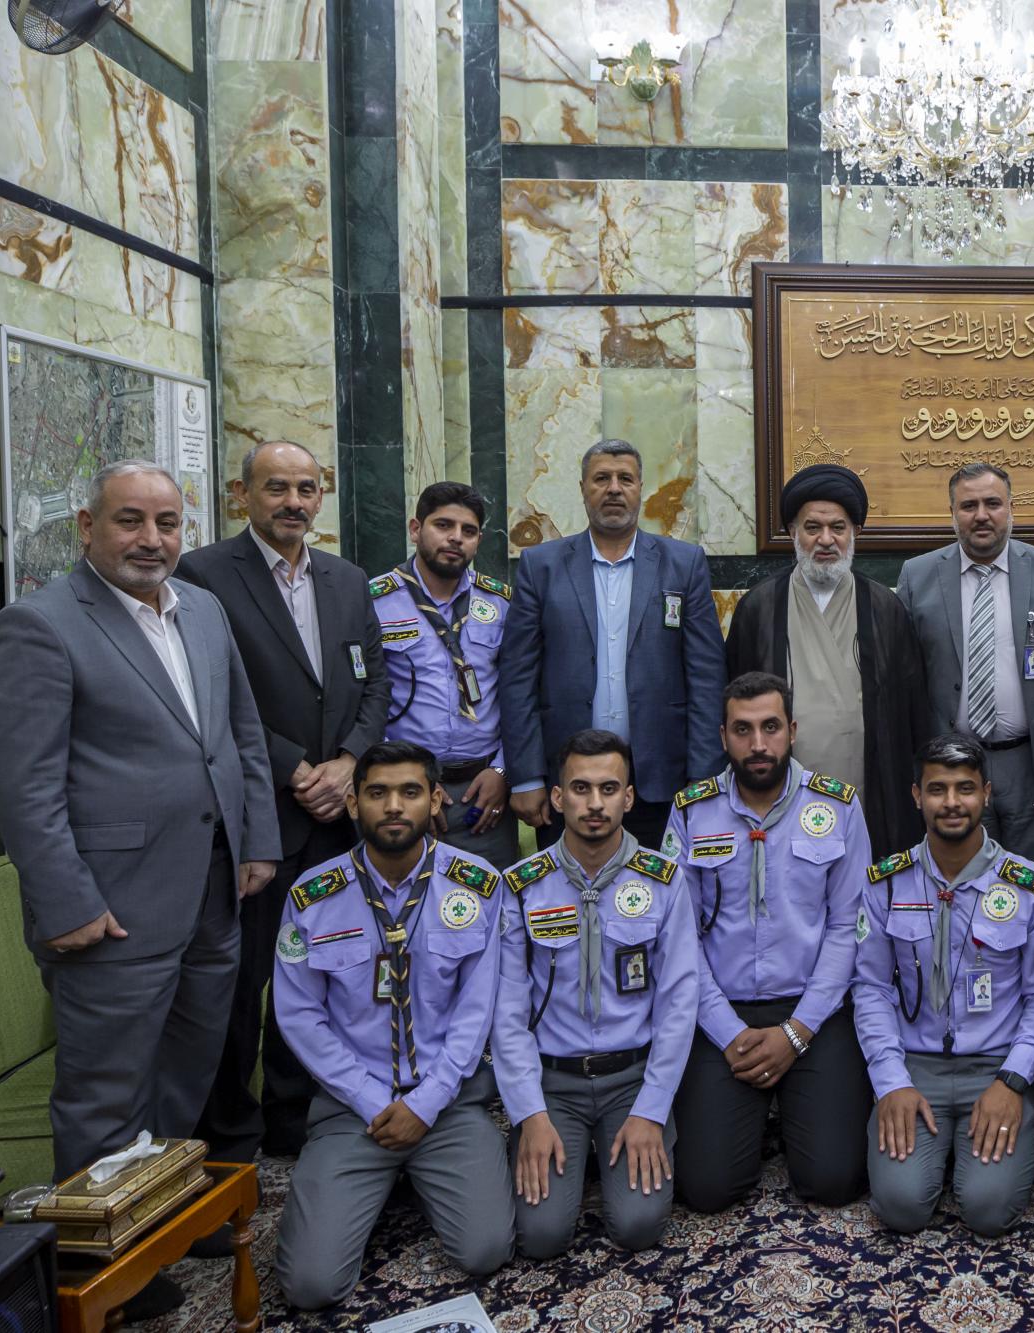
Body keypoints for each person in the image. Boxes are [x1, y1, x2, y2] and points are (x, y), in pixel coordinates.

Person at [0, 461, 279, 1321]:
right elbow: (24, 789)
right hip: (111, 908)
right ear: (87, 526)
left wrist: (256, 839)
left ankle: (162, 1213)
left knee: (186, 1073)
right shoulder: (39, 625)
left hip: (213, 891)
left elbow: (239, 734)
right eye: (130, 521)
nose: (151, 539)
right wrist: (67, 901)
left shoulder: (203, 610)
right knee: (107, 1093)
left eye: (167, 523)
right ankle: (104, 1270)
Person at [177, 438, 388, 1161]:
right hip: (256, 817)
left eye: (306, 488)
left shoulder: (347, 579)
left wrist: (349, 762)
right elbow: (206, 693)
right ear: (243, 495)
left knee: (324, 967)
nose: (293, 502)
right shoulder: (203, 574)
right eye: (277, 488)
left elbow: (375, 682)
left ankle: (294, 1114)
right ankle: (229, 1129)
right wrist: (295, 768)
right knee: (244, 979)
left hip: (337, 817)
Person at [271, 742, 512, 1310]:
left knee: (486, 1250)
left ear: (437, 800)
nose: (395, 806)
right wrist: (370, 1099)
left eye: (410, 792)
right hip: (354, 1109)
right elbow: (300, 1015)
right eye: (378, 793)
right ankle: (380, 1178)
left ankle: (413, 1176)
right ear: (353, 803)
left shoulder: (477, 886)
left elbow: (477, 1011)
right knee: (310, 1287)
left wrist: (426, 1104)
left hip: (447, 1104)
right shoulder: (313, 896)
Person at [666, 671, 873, 1211]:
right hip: (721, 1012)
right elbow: (679, 937)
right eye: (743, 729)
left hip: (814, 1011)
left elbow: (848, 929)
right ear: (723, 737)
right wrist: (729, 1032)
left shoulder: (838, 807)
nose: (758, 744)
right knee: (706, 1188)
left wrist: (797, 1032)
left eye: (771, 727)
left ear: (792, 731)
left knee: (833, 1180)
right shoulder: (690, 811)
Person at [492, 729, 699, 1256]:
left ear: (628, 798)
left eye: (609, 789)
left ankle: (612, 1149)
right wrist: (529, 1114)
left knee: (637, 1227)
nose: (594, 803)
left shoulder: (663, 881)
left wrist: (652, 1109)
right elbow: (508, 1013)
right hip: (553, 1084)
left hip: (632, 1079)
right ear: (558, 797)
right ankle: (569, 1151)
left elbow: (679, 1003)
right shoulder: (521, 886)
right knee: (541, 1236)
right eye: (580, 788)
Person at [852, 733, 1034, 1237]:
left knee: (989, 1210)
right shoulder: (885, 883)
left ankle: (970, 1144)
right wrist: (890, 1082)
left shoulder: (1031, 888)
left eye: (965, 788)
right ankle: (937, 1144)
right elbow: (871, 989)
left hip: (996, 1068)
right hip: (914, 1066)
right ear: (916, 796)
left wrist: (1013, 1081)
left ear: (986, 793)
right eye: (937, 789)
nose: (951, 802)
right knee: (901, 1208)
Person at [500, 438, 727, 850]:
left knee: (657, 885)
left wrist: (704, 776)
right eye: (601, 479)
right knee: (568, 887)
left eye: (625, 479)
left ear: (641, 488)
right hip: (568, 780)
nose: (614, 489)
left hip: (661, 780)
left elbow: (707, 677)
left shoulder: (683, 563)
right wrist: (527, 777)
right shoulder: (541, 567)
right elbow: (518, 677)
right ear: (583, 488)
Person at [725, 463, 929, 856]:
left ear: (855, 533)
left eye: (838, 527)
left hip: (873, 793)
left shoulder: (885, 608)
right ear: (793, 532)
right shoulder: (759, 607)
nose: (825, 540)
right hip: (776, 790)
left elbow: (914, 712)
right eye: (812, 527)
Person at [897, 463, 1034, 868]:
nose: (981, 515)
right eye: (969, 506)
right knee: (962, 880)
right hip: (952, 768)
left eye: (992, 503)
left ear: (1012, 508)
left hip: (1030, 764)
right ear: (952, 513)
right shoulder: (917, 576)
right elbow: (905, 680)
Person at [373, 482, 518, 865]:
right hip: (403, 790)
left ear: (478, 541)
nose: (455, 538)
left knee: (490, 896)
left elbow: (521, 694)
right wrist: (405, 781)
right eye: (443, 525)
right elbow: (363, 698)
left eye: (468, 531)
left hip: (483, 792)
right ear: (415, 528)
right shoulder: (374, 602)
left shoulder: (501, 603)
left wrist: (503, 770)